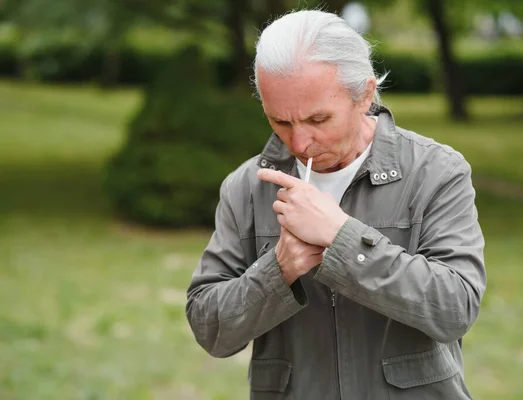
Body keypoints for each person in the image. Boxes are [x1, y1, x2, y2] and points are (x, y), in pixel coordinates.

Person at [186, 9, 486, 400]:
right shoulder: (247, 187)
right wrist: (278, 270)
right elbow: (211, 329)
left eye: (318, 119)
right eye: (281, 122)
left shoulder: (435, 171)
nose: (300, 143)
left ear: (364, 94)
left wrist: (342, 238)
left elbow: (454, 308)